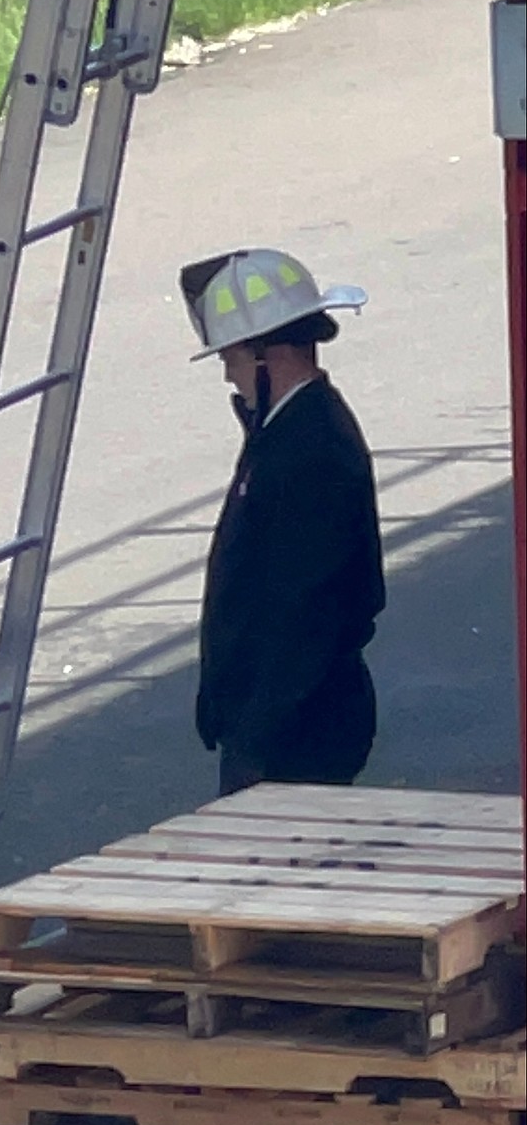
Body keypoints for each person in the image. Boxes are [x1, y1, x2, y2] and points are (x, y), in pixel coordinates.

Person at [179, 248, 385, 798]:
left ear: (270, 356)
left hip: (294, 736)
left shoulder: (309, 451)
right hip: (281, 725)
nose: (227, 370)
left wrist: (261, 728)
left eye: (233, 357)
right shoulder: (283, 434)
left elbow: (306, 607)